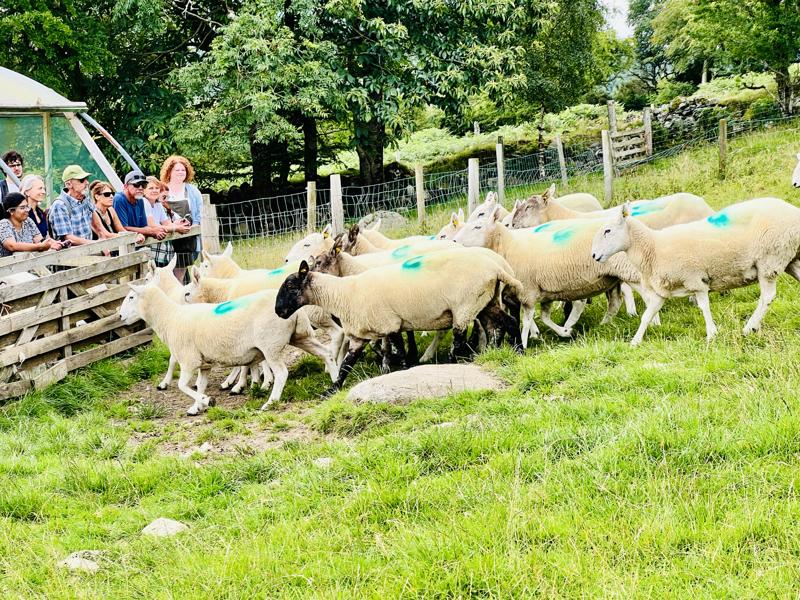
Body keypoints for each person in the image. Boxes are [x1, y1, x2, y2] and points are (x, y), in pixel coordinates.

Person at [161, 155, 202, 282]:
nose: (180, 172)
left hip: (187, 239)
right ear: (169, 172)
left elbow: (200, 212)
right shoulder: (162, 189)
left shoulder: (192, 190)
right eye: (177, 170)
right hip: (168, 237)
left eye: (183, 170)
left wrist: (194, 227)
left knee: (181, 269)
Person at [143, 176, 189, 266]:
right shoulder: (144, 202)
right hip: (148, 249)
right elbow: (153, 226)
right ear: (144, 191)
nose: (155, 190)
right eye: (151, 188)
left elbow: (167, 223)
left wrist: (179, 225)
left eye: (157, 188)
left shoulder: (158, 204)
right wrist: (177, 228)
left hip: (160, 249)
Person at [0, 192, 61, 257]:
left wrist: (50, 242)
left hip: (29, 263)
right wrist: (39, 247)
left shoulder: (28, 221)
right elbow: (11, 246)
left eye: (27, 207)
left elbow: (39, 240)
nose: (27, 210)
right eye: (22, 208)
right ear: (11, 211)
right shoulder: (4, 224)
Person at [48, 164, 96, 246]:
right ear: (69, 184)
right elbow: (68, 238)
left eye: (86, 179)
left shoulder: (85, 198)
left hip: (88, 248)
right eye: (82, 180)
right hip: (71, 254)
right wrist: (95, 244)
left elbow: (97, 225)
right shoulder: (60, 205)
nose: (87, 182)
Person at [113, 170, 166, 241]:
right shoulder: (119, 199)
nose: (140, 188)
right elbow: (123, 228)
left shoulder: (140, 200)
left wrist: (156, 232)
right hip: (120, 245)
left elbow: (144, 226)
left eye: (143, 185)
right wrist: (152, 232)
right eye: (136, 185)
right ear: (125, 186)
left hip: (137, 241)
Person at [19, 174, 49, 239]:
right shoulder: (21, 214)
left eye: (44, 189)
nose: (43, 192)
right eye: (40, 188)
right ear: (27, 192)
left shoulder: (41, 213)